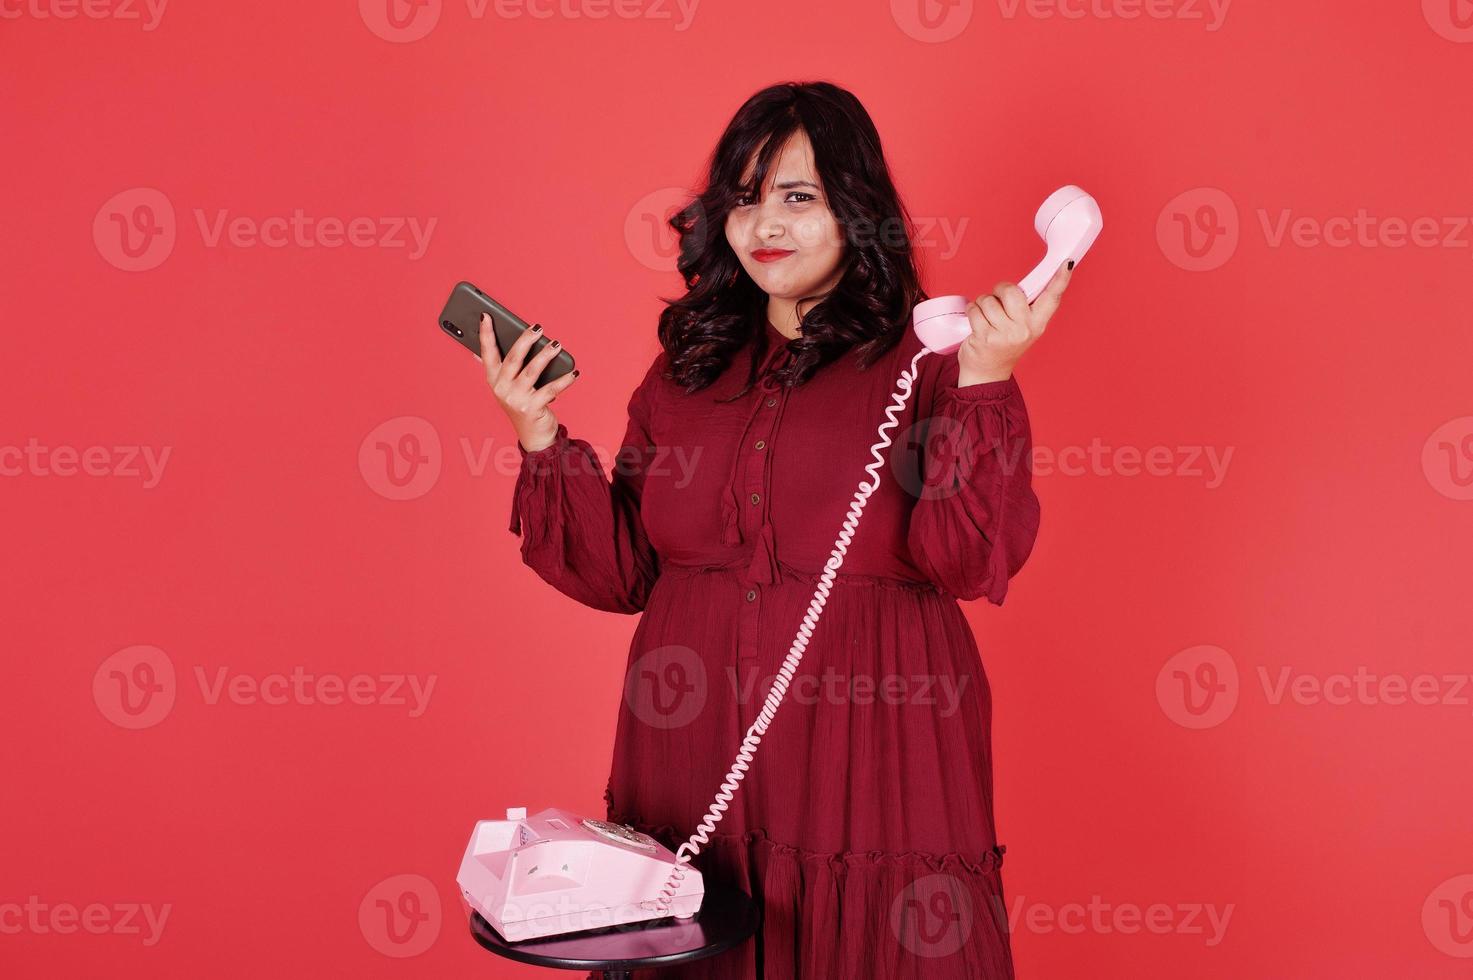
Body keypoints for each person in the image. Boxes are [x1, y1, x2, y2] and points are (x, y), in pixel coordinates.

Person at [480, 81, 1071, 979]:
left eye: (798, 197)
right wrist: (538, 434)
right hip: (689, 742)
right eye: (746, 197)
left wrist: (986, 378)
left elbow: (961, 559)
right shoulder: (684, 370)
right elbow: (623, 575)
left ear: (856, 210)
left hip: (873, 747)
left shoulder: (929, 359)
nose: (765, 222)